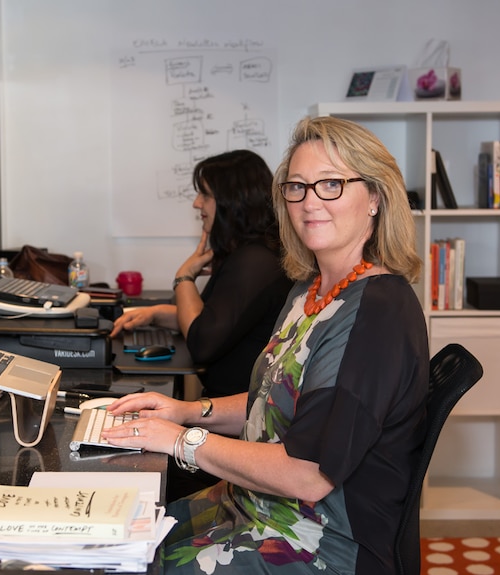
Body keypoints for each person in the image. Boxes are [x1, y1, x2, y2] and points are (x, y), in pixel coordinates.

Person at [101, 116, 429, 574]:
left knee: (130, 562)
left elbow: (308, 473)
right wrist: (187, 411)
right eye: (297, 187)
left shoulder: (378, 311)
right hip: (254, 508)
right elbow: (272, 398)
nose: (310, 201)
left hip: (318, 542)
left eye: (331, 184)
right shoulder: (309, 290)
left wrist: (180, 439)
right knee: (112, 537)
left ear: (375, 197)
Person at [110, 149, 293, 399]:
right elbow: (213, 322)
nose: (197, 203)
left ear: (233, 201)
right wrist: (156, 314)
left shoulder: (254, 263)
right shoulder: (252, 254)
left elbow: (202, 343)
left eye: (205, 195)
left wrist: (184, 277)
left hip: (235, 414)